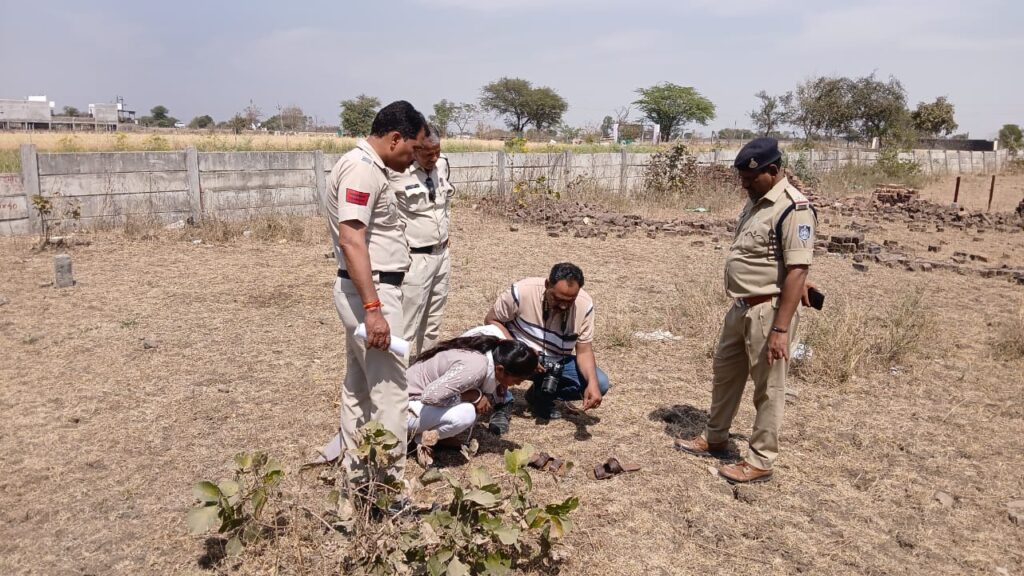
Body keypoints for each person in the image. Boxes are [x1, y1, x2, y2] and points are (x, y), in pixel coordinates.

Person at [674, 137, 818, 484]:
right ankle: (716, 436)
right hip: (741, 307)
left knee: (768, 387)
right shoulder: (757, 202)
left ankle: (760, 460)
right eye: (741, 178)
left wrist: (781, 330)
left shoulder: (794, 207)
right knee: (726, 373)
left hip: (769, 312)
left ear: (772, 170)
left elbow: (798, 269)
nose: (744, 185)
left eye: (750, 179)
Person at [322, 101, 428, 481]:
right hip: (373, 293)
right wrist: (373, 307)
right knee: (390, 395)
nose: (414, 158)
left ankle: (358, 481)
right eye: (413, 148)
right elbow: (352, 239)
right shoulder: (362, 170)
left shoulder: (369, 167)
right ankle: (387, 491)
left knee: (359, 390)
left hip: (372, 291)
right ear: (395, 138)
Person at [483, 262, 610, 433]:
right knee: (491, 357)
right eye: (557, 299)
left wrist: (592, 384)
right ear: (547, 285)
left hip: (556, 362)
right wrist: (520, 350)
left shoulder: (585, 305)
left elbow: (584, 350)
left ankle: (538, 396)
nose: (564, 306)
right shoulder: (521, 291)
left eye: (569, 301)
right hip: (519, 356)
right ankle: (502, 404)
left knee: (601, 382)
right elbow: (491, 321)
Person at [406, 335, 538, 451]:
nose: (519, 384)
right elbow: (430, 396)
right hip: (403, 410)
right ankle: (416, 441)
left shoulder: (485, 360)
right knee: (466, 413)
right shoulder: (476, 368)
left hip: (411, 406)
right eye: (518, 379)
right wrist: (473, 396)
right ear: (500, 369)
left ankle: (427, 437)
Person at [393, 129, 455, 355]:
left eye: (437, 152)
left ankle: (425, 373)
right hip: (414, 259)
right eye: (428, 154)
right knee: (407, 323)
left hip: (441, 255)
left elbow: (442, 205)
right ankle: (399, 379)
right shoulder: (396, 171)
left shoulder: (443, 165)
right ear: (414, 150)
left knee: (432, 324)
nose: (434, 158)